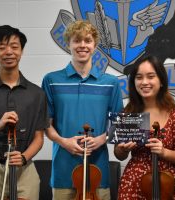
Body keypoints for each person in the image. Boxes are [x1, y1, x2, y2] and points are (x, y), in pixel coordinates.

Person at [42, 20, 123, 200]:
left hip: (98, 173)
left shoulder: (111, 82)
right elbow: (45, 124)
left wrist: (102, 139)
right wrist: (64, 141)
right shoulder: (51, 80)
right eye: (77, 40)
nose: (82, 45)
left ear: (95, 46)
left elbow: (120, 123)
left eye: (87, 40)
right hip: (62, 171)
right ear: (68, 43)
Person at [0, 25, 49, 200]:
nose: (9, 52)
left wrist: (24, 157)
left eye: (14, 47)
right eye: (1, 47)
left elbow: (39, 137)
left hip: (25, 171)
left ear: (21, 51)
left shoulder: (37, 93)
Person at [114, 55, 175, 200]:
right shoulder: (128, 113)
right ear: (133, 82)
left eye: (151, 76)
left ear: (161, 81)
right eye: (139, 77)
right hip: (132, 183)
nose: (144, 82)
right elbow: (119, 154)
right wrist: (122, 149)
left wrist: (164, 152)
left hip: (166, 186)